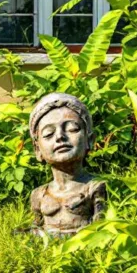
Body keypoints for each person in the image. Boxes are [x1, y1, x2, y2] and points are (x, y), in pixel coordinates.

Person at [28, 93, 106, 236]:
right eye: (48, 134)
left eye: (71, 129)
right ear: (37, 149)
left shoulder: (95, 187)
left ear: (90, 140)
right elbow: (35, 226)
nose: (60, 137)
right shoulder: (38, 194)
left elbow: (101, 228)